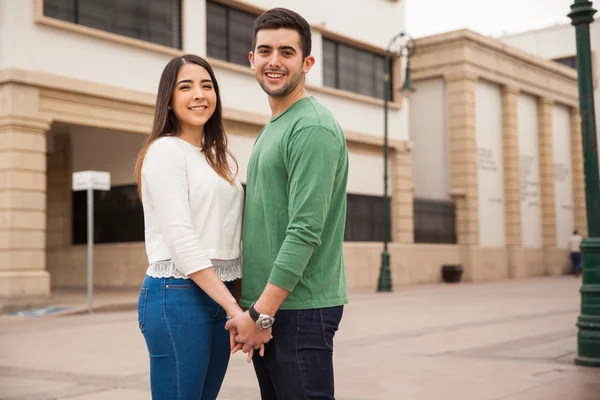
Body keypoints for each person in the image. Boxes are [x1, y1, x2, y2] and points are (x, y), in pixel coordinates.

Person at [225, 8, 349, 400]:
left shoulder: (311, 127)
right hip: (273, 309)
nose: (273, 61)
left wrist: (262, 313)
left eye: (286, 52)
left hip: (298, 310)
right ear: (252, 59)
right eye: (264, 51)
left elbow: (304, 230)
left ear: (307, 62)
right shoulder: (274, 128)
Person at [134, 54, 252, 400]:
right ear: (168, 101)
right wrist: (236, 311)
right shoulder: (165, 151)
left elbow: (230, 234)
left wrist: (235, 299)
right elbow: (182, 241)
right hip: (177, 295)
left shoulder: (218, 156)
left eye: (207, 85)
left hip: (220, 293)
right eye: (185, 87)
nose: (199, 94)